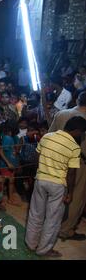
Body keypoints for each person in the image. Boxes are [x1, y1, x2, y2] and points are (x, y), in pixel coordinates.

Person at [25, 117, 86, 257]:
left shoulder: (47, 136)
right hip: (57, 185)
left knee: (35, 213)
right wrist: (70, 192)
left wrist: (38, 175)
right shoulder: (74, 147)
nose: (81, 136)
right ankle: (44, 249)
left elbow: (36, 157)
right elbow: (71, 173)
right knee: (52, 219)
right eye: (82, 133)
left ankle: (31, 244)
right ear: (76, 131)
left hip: (40, 180)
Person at [48, 91, 86, 241]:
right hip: (80, 162)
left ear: (77, 100)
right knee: (76, 196)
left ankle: (50, 225)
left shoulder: (61, 114)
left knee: (56, 193)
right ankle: (65, 229)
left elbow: (49, 134)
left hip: (56, 159)